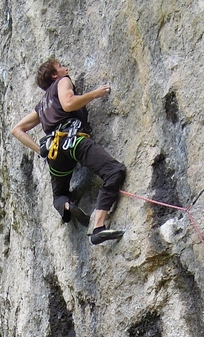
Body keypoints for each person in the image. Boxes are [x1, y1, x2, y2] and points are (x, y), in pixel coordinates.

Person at [11, 58, 126, 244]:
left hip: (54, 153)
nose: (66, 68)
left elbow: (17, 129)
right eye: (61, 67)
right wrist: (95, 94)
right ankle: (98, 226)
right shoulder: (63, 81)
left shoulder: (42, 106)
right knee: (114, 171)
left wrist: (40, 151)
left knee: (59, 194)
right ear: (54, 75)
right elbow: (69, 104)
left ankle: (66, 205)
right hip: (73, 140)